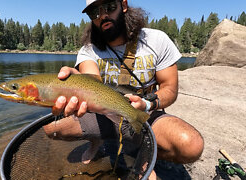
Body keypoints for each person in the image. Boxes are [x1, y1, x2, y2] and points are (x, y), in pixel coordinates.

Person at [43, 0, 204, 177]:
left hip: (147, 113)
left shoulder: (156, 40)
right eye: (94, 13)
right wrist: (73, 81)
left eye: (110, 7)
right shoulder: (88, 50)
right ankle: (96, 140)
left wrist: (147, 104)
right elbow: (91, 79)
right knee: (52, 130)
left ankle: (144, 155)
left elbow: (170, 89)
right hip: (104, 114)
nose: (103, 15)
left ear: (124, 5)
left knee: (191, 146)